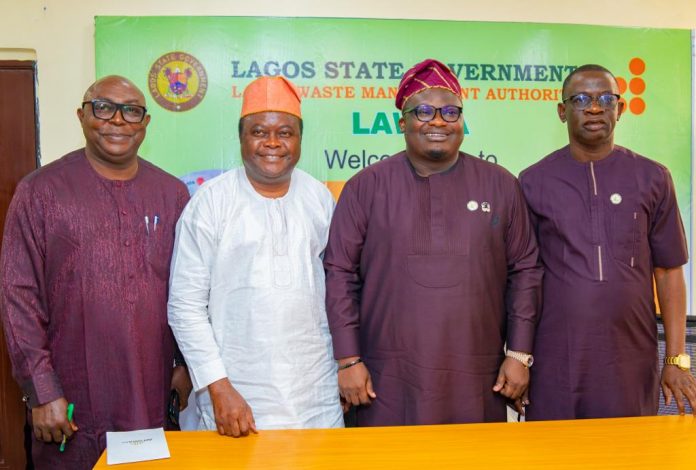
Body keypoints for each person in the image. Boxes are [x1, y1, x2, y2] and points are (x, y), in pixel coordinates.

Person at [324, 59, 542, 426]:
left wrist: (519, 354)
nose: (438, 121)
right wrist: (348, 360)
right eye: (424, 111)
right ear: (402, 122)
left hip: (477, 375)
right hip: (385, 378)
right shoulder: (366, 187)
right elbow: (340, 273)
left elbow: (526, 271)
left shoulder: (501, 184)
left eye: (450, 112)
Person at [0, 75, 192, 469]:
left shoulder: (172, 193)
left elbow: (185, 288)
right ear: (82, 115)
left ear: (145, 123)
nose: (117, 120)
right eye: (103, 108)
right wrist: (41, 389)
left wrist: (182, 364)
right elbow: (18, 295)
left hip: (151, 393)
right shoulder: (40, 192)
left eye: (131, 111)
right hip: (70, 399)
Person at [167, 76, 343, 437]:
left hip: (316, 395)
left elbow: (337, 291)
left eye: (286, 133)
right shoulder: (210, 203)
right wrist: (218, 387)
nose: (273, 143)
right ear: (241, 138)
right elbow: (185, 306)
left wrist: (342, 369)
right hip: (236, 394)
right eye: (259, 132)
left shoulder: (319, 199)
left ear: (300, 139)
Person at [519, 64, 696, 420]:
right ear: (562, 111)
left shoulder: (653, 177)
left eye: (606, 99)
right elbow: (523, 279)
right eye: (581, 100)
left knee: (629, 447)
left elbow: (668, 272)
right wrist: (518, 357)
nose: (595, 108)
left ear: (621, 108)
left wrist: (676, 358)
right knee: (552, 448)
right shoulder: (533, 181)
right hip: (555, 358)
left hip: (630, 358)